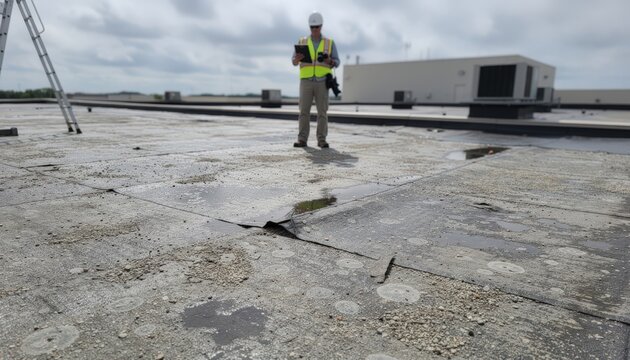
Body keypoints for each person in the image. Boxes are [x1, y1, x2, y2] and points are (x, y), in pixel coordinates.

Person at [291, 11, 340, 148]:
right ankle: (302, 139)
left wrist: (329, 60)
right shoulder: (302, 41)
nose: (314, 30)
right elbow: (294, 62)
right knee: (303, 111)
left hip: (322, 82)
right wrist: (297, 59)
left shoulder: (329, 43)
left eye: (317, 27)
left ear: (321, 26)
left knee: (322, 112)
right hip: (306, 81)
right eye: (312, 27)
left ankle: (321, 139)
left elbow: (337, 62)